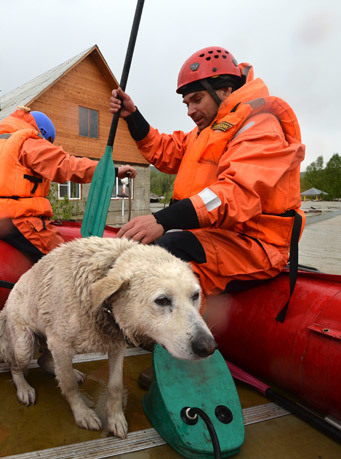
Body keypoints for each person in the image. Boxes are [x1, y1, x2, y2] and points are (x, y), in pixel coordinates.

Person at [110, 45, 305, 307]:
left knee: (167, 250)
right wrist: (133, 116)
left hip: (256, 247)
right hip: (216, 236)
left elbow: (235, 194)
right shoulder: (205, 131)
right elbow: (166, 151)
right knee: (149, 247)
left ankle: (180, 341)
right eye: (187, 102)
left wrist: (162, 219)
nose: (190, 110)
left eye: (197, 99)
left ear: (225, 90)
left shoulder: (261, 126)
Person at [0, 106, 136, 262]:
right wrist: (112, 171)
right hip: (20, 220)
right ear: (43, 134)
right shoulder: (29, 142)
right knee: (64, 264)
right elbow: (67, 165)